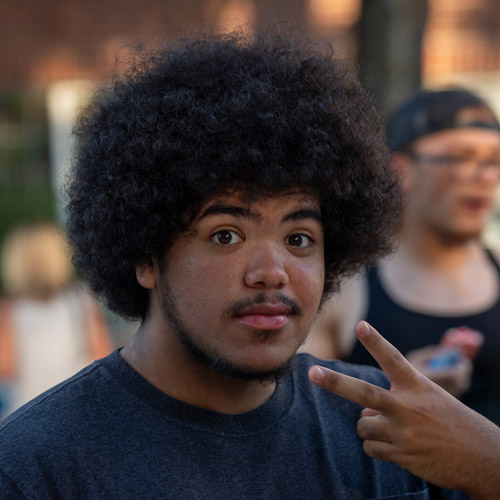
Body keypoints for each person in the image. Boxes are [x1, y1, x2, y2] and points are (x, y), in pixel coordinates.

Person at [0, 31, 499, 499]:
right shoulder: (35, 467)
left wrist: (487, 463)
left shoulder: (389, 426)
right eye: (226, 235)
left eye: (299, 238)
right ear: (145, 257)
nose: (271, 271)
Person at [304, 88, 500, 424]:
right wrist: (390, 392)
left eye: (493, 159)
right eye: (461, 157)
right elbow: (296, 418)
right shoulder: (343, 287)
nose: (484, 175)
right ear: (400, 171)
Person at [0, 223, 113, 419]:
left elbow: (5, 368)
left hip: (26, 415)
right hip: (77, 409)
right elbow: (102, 357)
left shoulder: (9, 311)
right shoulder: (81, 301)